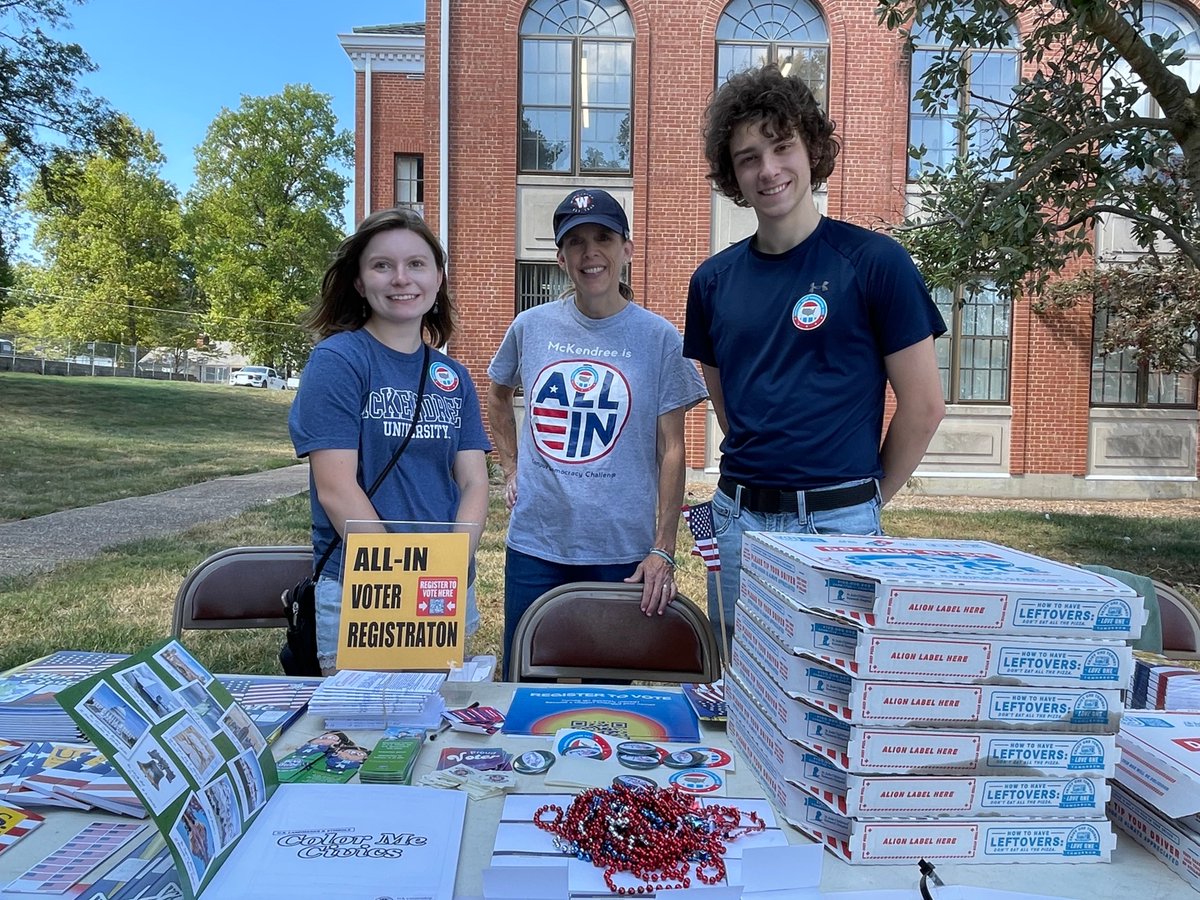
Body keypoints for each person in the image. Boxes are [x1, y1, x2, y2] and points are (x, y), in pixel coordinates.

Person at [684, 65, 947, 641]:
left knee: (836, 697)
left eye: (782, 147)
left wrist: (864, 501)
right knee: (740, 689)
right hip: (739, 521)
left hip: (842, 525)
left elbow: (925, 407)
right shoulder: (712, 282)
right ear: (732, 171)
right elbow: (732, 411)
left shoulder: (876, 264)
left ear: (813, 149)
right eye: (749, 156)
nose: (769, 169)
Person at [488, 188, 707, 679]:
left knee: (610, 688)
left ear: (627, 248)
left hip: (622, 551)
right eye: (577, 242)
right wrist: (510, 465)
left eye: (604, 237)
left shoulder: (659, 337)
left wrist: (662, 548)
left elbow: (673, 448)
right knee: (526, 682)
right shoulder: (530, 327)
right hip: (537, 547)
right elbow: (498, 394)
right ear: (560, 257)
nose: (591, 253)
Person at [289, 208, 491, 675]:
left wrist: (454, 565)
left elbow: (474, 483)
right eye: (382, 265)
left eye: (416, 264)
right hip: (366, 586)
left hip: (443, 586)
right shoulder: (338, 361)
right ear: (360, 282)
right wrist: (402, 577)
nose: (401, 279)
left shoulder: (453, 377)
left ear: (438, 277)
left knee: (442, 734)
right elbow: (337, 489)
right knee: (362, 739)